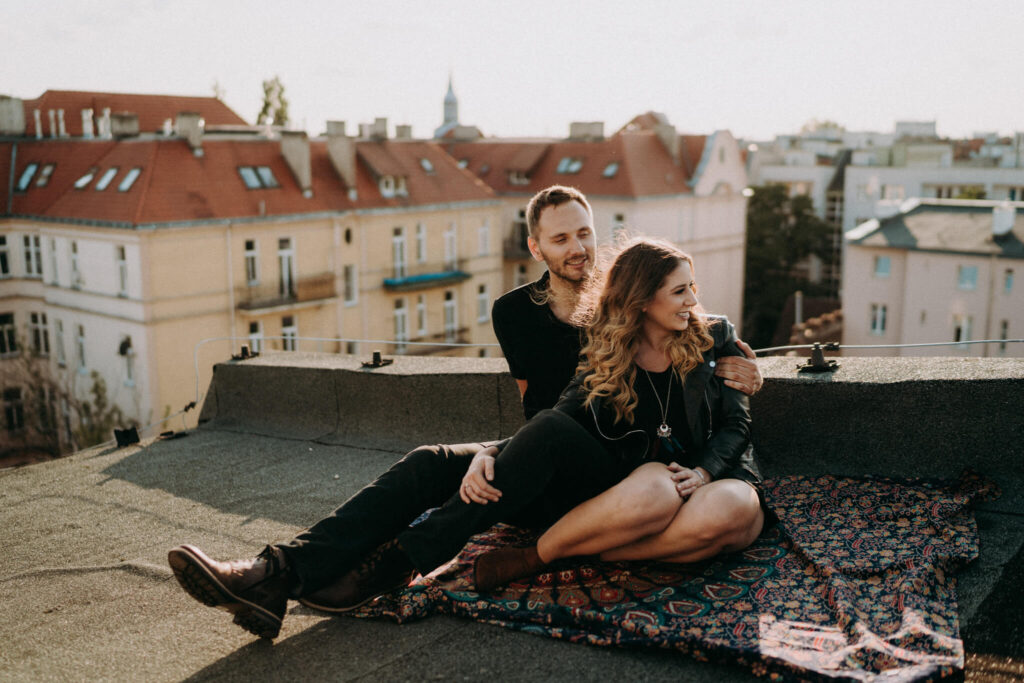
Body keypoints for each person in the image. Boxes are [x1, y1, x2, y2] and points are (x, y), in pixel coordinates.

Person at [167, 188, 762, 640]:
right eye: (560, 239)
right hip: (547, 449)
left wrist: (741, 375)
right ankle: (274, 572)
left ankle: (395, 563)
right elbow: (553, 407)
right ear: (537, 248)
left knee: (546, 438)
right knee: (431, 462)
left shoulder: (676, 322)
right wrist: (494, 453)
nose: (577, 248)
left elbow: (727, 400)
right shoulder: (534, 317)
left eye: (585, 233)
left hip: (610, 472)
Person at [473, 238, 765, 591]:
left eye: (692, 287)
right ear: (642, 300)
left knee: (733, 512)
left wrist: (704, 472)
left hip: (717, 474)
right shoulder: (610, 349)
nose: (692, 300)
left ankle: (570, 554)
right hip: (651, 483)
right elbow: (559, 418)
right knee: (659, 492)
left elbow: (737, 425)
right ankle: (537, 555)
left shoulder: (716, 336)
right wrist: (491, 450)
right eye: (679, 291)